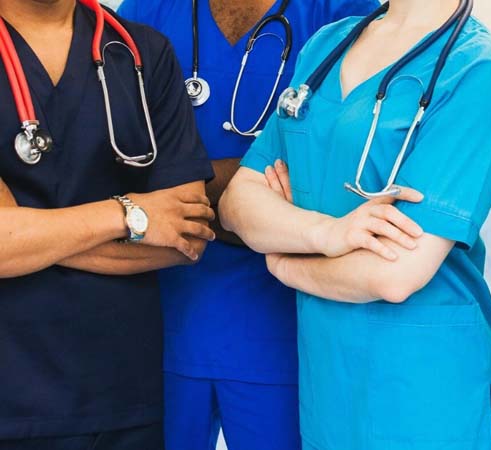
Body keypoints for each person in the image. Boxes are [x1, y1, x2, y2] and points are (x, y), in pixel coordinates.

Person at [218, 0, 491, 448]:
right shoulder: (327, 46)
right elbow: (236, 202)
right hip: (328, 383)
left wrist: (285, 261)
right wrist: (328, 234)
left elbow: (395, 274)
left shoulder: (479, 71)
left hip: (427, 392)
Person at [115, 0, 378, 448]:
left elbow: (344, 178)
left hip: (288, 335)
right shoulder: (146, 9)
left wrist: (171, 191)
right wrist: (259, 194)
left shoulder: (343, 12)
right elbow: (107, 166)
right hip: (158, 327)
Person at [0, 0, 215, 449]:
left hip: (124, 393)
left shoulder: (142, 52)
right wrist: (129, 214)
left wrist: (28, 230)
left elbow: (187, 234)